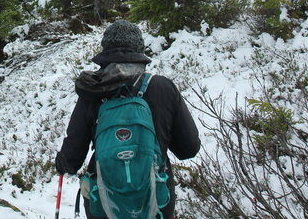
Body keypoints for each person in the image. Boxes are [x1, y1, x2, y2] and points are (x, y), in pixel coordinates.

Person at [55, 20, 200, 219]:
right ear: (139, 49)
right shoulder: (163, 88)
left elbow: (72, 158)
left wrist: (62, 163)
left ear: (105, 50)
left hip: (105, 204)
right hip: (156, 202)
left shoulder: (93, 89)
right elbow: (188, 149)